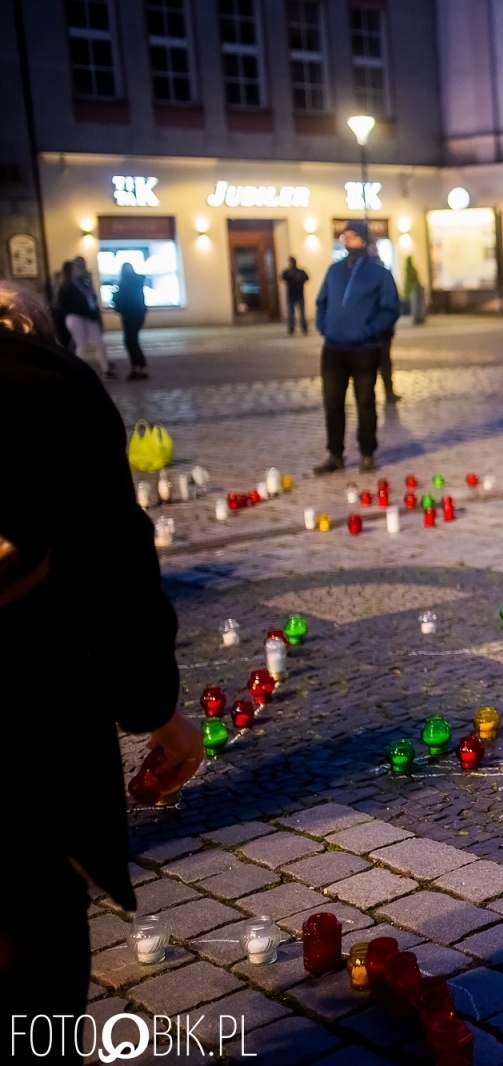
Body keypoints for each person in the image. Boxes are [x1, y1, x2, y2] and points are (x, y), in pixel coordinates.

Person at [0, 281, 202, 1060]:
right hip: (22, 727)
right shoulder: (45, 391)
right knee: (31, 940)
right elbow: (114, 572)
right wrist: (157, 709)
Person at [313, 220, 400, 474]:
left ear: (363, 240)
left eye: (351, 235)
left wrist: (369, 330)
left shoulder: (379, 274)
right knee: (332, 402)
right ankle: (335, 455)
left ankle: (367, 453)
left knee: (365, 402)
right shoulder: (334, 271)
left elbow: (390, 308)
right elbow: (322, 302)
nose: (346, 239)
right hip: (333, 349)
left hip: (364, 349)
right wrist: (324, 326)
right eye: (344, 236)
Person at [60, 255, 113, 378]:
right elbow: (65, 304)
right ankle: (78, 370)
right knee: (81, 344)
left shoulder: (84, 282)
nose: (79, 269)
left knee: (99, 342)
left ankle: (106, 369)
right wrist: (83, 310)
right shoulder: (66, 286)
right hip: (76, 317)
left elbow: (92, 297)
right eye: (76, 267)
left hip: (90, 316)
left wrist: (94, 311)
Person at [111, 261, 150, 381]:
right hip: (138, 314)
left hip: (129, 315)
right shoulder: (137, 282)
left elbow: (121, 300)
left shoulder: (124, 284)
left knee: (130, 341)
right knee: (133, 340)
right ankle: (140, 367)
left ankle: (137, 367)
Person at [282, 256, 310, 334]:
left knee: (293, 313)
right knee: (300, 312)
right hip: (298, 294)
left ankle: (293, 328)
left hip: (293, 294)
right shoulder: (299, 272)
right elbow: (307, 279)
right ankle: (302, 328)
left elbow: (283, 278)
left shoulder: (288, 272)